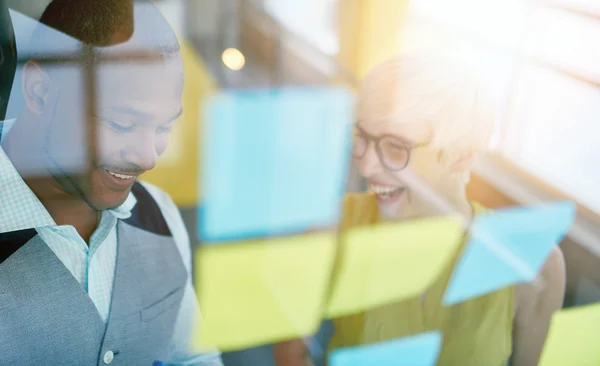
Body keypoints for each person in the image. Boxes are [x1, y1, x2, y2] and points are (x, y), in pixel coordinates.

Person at [273, 54, 566, 366]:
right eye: (362, 138)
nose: (367, 165)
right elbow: (291, 351)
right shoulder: (331, 228)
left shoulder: (534, 263)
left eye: (395, 147)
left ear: (461, 157)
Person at [0, 1, 223, 365]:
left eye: (164, 126)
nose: (148, 157)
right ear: (39, 90)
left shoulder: (159, 214)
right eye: (121, 124)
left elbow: (192, 357)